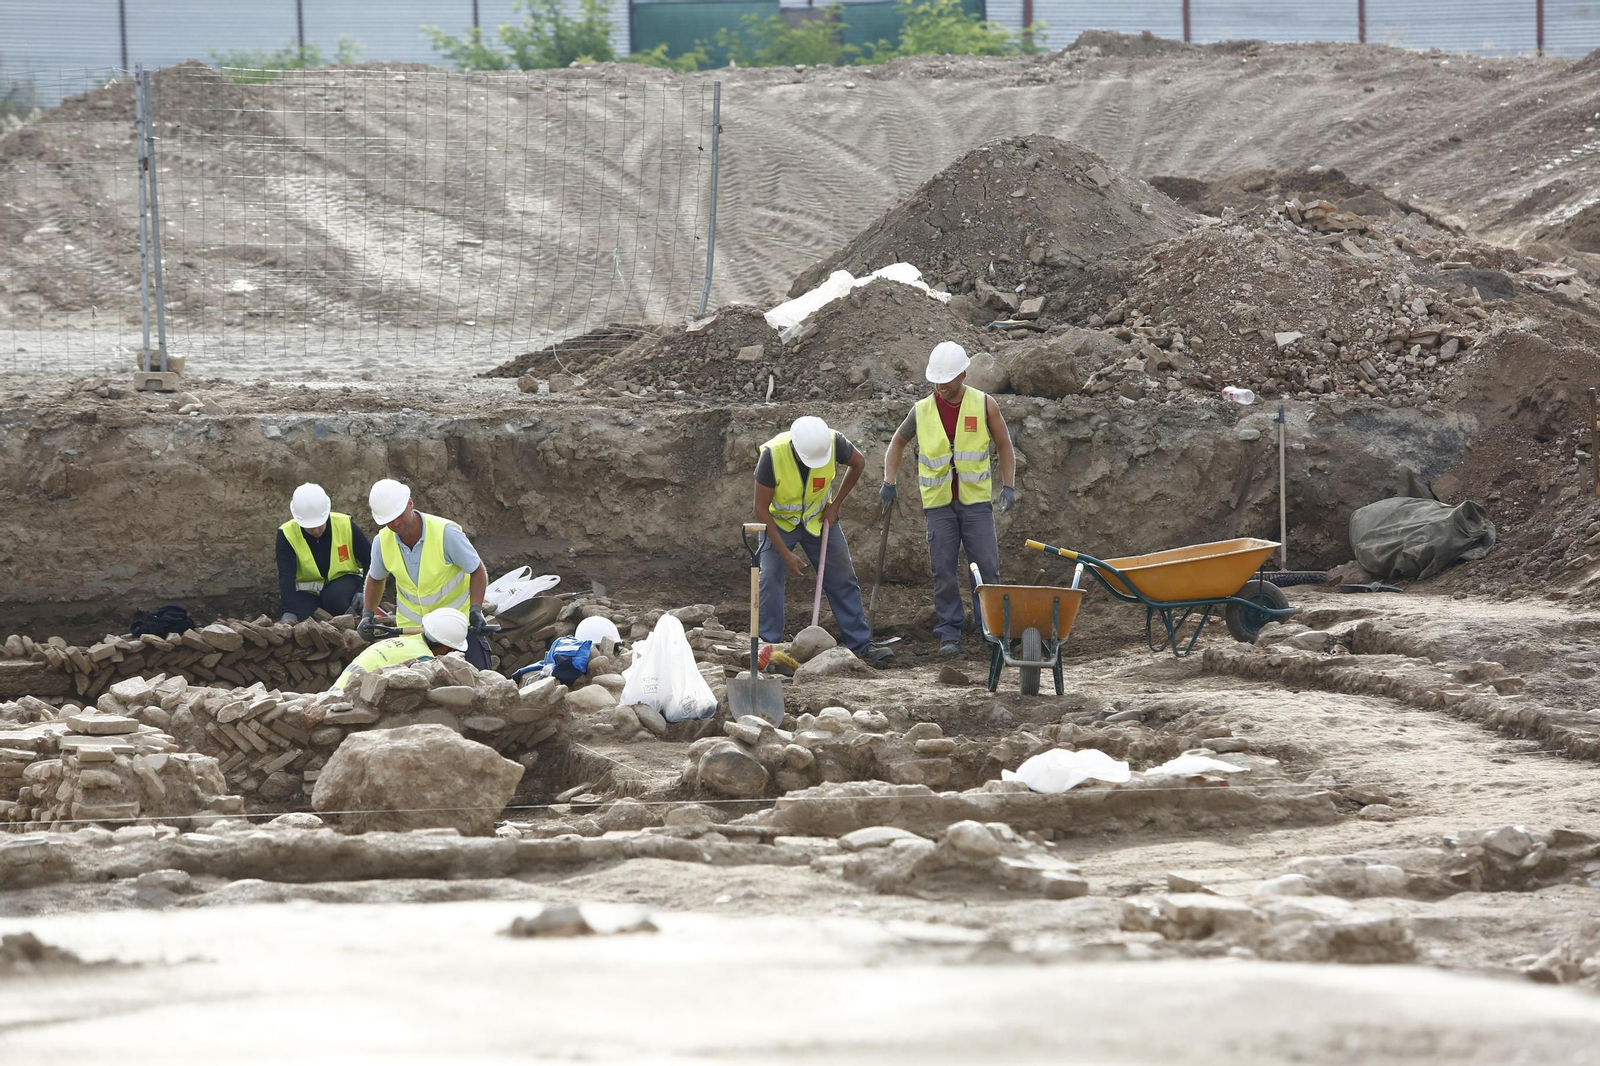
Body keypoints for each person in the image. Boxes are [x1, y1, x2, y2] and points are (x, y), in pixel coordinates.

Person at [881, 341, 1018, 655]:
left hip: (976, 504)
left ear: (963, 375)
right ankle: (949, 631)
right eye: (936, 380)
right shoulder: (922, 410)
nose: (940, 386)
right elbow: (897, 443)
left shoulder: (985, 405)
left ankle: (991, 627)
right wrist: (889, 480)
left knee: (986, 567)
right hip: (939, 504)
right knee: (942, 569)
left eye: (946, 380)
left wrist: (1008, 485)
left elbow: (1005, 446)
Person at [755, 415, 891, 664]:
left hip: (819, 518)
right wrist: (785, 554)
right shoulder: (772, 456)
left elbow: (858, 463)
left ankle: (860, 644)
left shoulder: (834, 443)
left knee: (842, 577)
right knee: (770, 578)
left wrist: (836, 505)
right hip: (780, 524)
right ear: (795, 447)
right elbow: (761, 510)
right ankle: (769, 651)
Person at [359, 478, 494, 670]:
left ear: (410, 503)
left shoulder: (446, 533)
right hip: (414, 633)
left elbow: (477, 570)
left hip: (455, 627)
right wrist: (367, 615)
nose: (396, 523)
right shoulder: (382, 542)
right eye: (389, 520)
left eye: (399, 515)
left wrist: (475, 610)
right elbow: (375, 578)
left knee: (478, 680)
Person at [276, 483, 370, 623]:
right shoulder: (287, 534)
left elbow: (370, 559)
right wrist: (288, 611)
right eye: (310, 527)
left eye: (319, 524)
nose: (316, 530)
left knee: (336, 600)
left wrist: (363, 590)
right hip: (308, 592)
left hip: (342, 585)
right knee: (303, 618)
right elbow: (286, 576)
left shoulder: (345, 524)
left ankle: (352, 623)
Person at [331, 608, 469, 692]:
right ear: (445, 648)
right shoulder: (424, 658)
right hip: (350, 700)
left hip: (333, 693)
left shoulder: (402, 642)